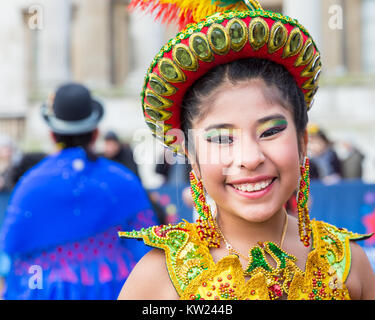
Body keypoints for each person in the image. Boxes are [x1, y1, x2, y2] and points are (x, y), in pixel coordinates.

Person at [117, 0, 375, 300]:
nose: (251, 158)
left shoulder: (348, 264)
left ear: (303, 142)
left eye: (270, 132)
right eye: (222, 139)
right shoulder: (159, 278)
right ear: (191, 156)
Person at [0, 83, 159, 299]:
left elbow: (9, 252)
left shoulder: (30, 185)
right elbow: (149, 246)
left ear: (52, 134)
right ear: (95, 133)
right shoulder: (122, 180)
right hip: (115, 288)